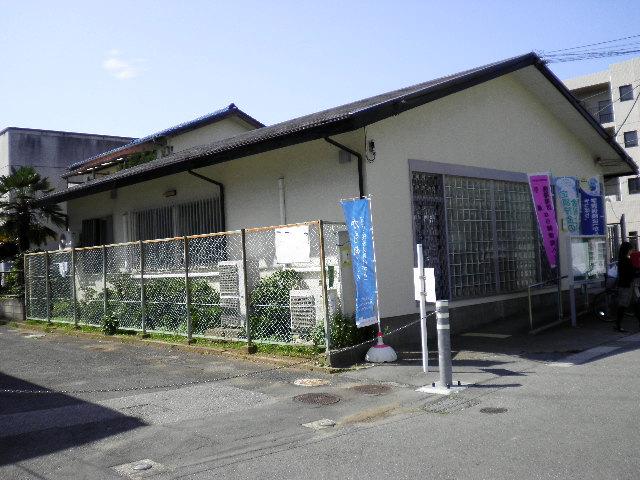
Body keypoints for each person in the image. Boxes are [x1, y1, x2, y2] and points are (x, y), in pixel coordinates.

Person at [616, 241, 639, 332]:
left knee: (635, 304)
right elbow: (631, 273)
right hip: (626, 286)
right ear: (627, 250)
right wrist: (636, 270)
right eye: (630, 249)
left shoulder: (622, 259)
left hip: (628, 285)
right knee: (623, 305)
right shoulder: (626, 260)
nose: (631, 251)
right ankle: (617, 325)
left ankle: (618, 325)